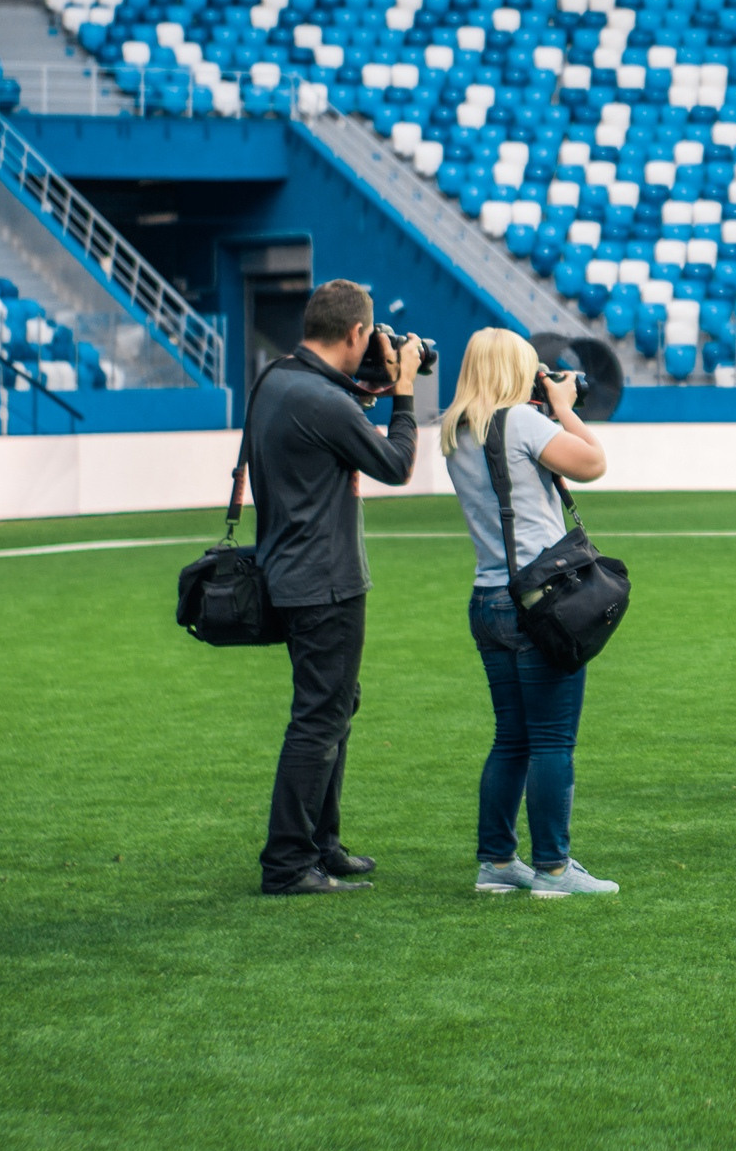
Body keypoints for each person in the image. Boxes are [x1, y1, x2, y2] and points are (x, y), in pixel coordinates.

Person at [249, 279, 424, 896]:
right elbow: (397, 465)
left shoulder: (278, 379)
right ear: (356, 333)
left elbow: (326, 430)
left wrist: (367, 389)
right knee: (319, 719)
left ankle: (320, 845)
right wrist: (405, 390)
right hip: (325, 580)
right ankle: (288, 862)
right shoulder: (323, 400)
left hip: (289, 571)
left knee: (332, 708)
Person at [439, 328, 615, 897]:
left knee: (511, 738)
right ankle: (554, 869)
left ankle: (496, 861)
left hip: (488, 597)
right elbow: (593, 463)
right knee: (552, 741)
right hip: (540, 600)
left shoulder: (456, 430)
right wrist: (564, 407)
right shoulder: (521, 421)